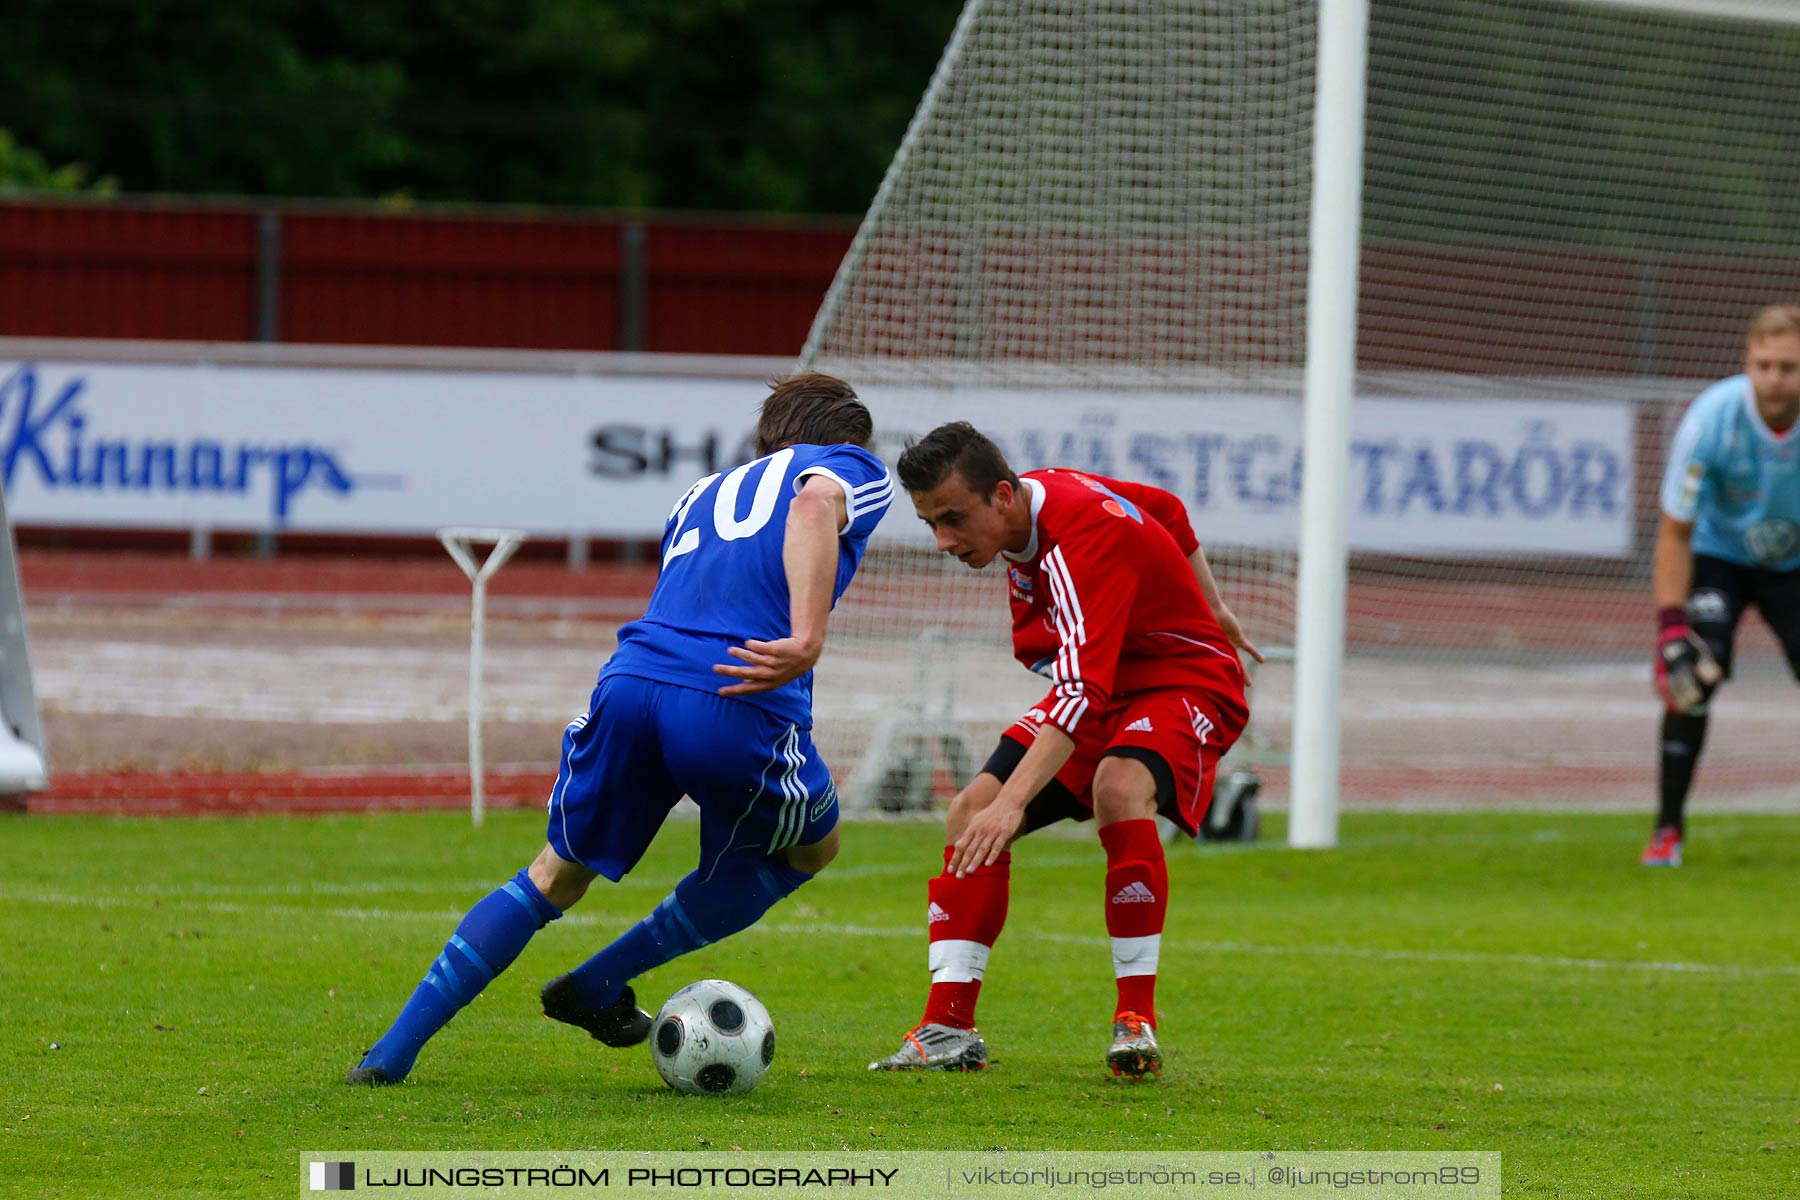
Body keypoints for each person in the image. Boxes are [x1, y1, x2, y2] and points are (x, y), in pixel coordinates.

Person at [347, 373, 892, 1084]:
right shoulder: (847, 467)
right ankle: (598, 981)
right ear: (842, 438)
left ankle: (389, 1055)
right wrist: (807, 636)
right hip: (736, 695)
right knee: (810, 849)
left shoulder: (699, 494)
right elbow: (817, 502)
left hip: (631, 683)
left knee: (553, 874)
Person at [869, 422, 1259, 1079]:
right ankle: (948, 1029)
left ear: (1000, 496)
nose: (943, 542)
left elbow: (1079, 690)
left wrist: (1015, 805)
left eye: (953, 519)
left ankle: (1136, 1021)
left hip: (1183, 678)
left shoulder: (1081, 539)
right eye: (930, 523)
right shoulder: (1041, 494)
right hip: (1108, 684)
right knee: (971, 810)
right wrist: (1215, 602)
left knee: (1117, 786)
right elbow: (1166, 508)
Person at [1646, 304, 1800, 868]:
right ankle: (1667, 831)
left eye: (1788, 366)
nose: (1774, 379)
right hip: (1720, 556)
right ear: (1746, 364)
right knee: (1692, 676)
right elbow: (1674, 532)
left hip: (1794, 565)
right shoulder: (1710, 419)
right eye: (1763, 365)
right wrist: (1670, 629)